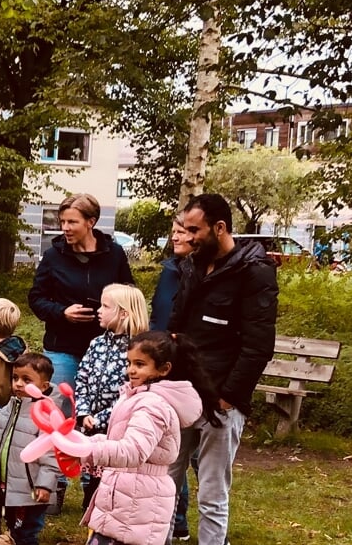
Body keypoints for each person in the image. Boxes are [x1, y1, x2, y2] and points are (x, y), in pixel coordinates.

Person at [167, 193, 278, 545]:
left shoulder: (255, 273)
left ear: (219, 227)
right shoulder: (192, 267)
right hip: (180, 393)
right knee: (163, 484)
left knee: (212, 493)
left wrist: (229, 397)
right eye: (184, 229)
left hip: (221, 400)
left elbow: (258, 346)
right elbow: (176, 325)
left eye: (194, 230)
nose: (188, 237)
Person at [74, 331, 220, 545]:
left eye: (140, 364)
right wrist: (88, 443)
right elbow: (119, 439)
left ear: (164, 369)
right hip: (125, 499)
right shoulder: (136, 396)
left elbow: (132, 451)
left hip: (137, 506)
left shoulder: (152, 405)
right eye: (129, 362)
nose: (131, 370)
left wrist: (89, 450)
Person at [28, 194, 134, 387]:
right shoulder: (53, 256)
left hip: (107, 349)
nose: (65, 228)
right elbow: (36, 298)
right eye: (62, 222)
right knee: (60, 410)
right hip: (62, 349)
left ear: (90, 222)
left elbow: (129, 295)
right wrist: (62, 312)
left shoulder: (115, 254)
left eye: (72, 222)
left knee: (97, 411)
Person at [74, 283, 150, 510]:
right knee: (92, 478)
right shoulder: (96, 343)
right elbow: (82, 378)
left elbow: (131, 392)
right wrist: (84, 411)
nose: (98, 310)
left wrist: (102, 418)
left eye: (105, 306)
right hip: (92, 425)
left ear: (124, 312)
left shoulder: (137, 351)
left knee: (111, 480)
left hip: (118, 428)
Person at [0, 352, 61, 545]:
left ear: (43, 386)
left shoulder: (46, 415)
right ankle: (7, 533)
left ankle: (18, 539)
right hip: (11, 485)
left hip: (32, 488)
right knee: (13, 520)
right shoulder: (8, 408)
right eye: (15, 378)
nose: (18, 383)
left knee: (27, 530)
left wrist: (45, 484)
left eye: (26, 380)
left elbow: (52, 454)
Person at [148, 219, 193, 539]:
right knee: (169, 448)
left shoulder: (200, 274)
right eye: (173, 230)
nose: (174, 235)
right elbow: (158, 315)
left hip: (187, 371)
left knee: (184, 452)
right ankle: (168, 521)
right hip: (161, 367)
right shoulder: (169, 270)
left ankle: (178, 519)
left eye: (182, 231)